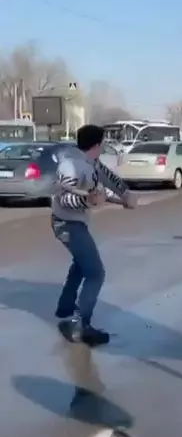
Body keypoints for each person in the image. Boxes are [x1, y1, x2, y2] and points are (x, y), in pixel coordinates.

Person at [52, 124, 139, 346]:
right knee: (95, 273)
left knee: (82, 264)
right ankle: (79, 325)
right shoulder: (70, 165)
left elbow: (109, 177)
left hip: (76, 223)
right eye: (103, 143)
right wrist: (87, 200)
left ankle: (65, 308)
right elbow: (64, 198)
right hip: (66, 224)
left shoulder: (92, 163)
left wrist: (125, 194)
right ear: (98, 144)